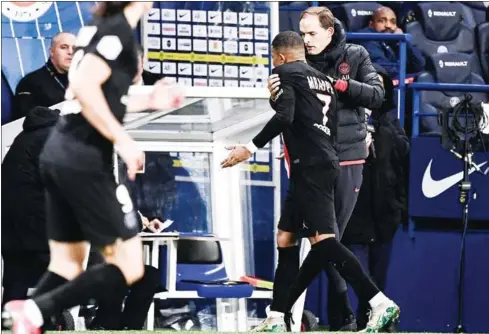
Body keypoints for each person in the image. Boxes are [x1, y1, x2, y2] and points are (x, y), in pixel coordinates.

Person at [2, 2, 184, 333]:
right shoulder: (114, 35)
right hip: (79, 158)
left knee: (70, 265)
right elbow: (85, 90)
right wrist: (124, 141)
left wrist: (148, 101)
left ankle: (31, 315)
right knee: (128, 266)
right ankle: (42, 310)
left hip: (68, 157)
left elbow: (91, 93)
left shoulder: (109, 36)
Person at [222, 30, 400, 333]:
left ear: (279, 56)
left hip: (311, 167)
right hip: (322, 161)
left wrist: (248, 148)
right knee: (286, 237)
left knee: (324, 241)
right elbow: (323, 123)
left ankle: (379, 301)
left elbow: (285, 116)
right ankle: (276, 317)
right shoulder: (322, 79)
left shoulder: (284, 73)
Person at [265, 6, 386, 331]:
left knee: (325, 242)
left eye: (312, 33)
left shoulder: (355, 55)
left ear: (330, 31)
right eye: (302, 34)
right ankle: (281, 315)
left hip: (346, 158)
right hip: (308, 163)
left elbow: (378, 95)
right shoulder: (298, 63)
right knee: (295, 237)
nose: (306, 40)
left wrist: (340, 85)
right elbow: (291, 112)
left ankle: (288, 311)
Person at [342, 65, 410, 330]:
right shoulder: (342, 123)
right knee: (361, 279)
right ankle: (355, 322)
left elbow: (403, 172)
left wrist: (400, 210)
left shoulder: (393, 129)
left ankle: (375, 324)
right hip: (353, 217)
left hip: (384, 219)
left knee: (378, 280)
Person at [1, 107, 60, 308]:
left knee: (17, 274)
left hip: (8, 220)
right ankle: (47, 318)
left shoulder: (22, 137)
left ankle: (8, 319)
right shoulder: (51, 137)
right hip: (36, 216)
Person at [12, 32, 76, 120]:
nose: (70, 52)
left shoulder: (83, 80)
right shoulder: (29, 82)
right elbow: (26, 121)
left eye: (74, 48)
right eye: (64, 47)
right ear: (52, 52)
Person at [357, 6, 425, 79]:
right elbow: (382, 67)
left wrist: (405, 42)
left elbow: (419, 65)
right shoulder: (366, 37)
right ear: (371, 24)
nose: (388, 25)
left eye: (393, 22)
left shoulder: (396, 40)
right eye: (382, 21)